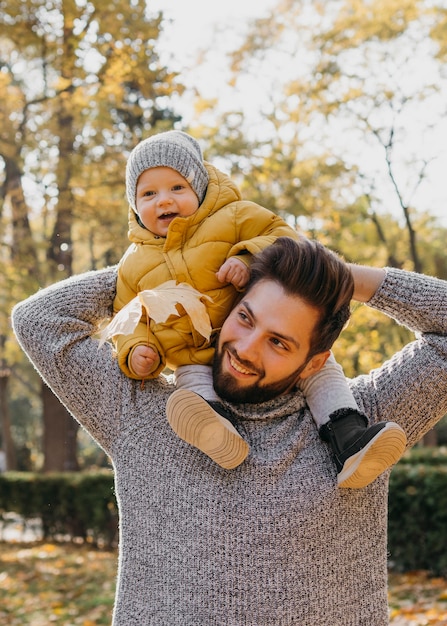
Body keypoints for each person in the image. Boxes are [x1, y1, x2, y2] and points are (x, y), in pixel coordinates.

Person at [12, 236, 447, 624]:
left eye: (279, 342)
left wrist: (345, 278)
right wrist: (178, 264)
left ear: (315, 362)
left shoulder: (359, 426)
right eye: (245, 318)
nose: (244, 348)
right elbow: (40, 320)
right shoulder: (143, 413)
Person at [105, 129, 405, 483]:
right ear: (133, 205)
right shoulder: (133, 263)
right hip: (193, 352)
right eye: (148, 193)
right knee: (194, 391)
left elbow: (286, 239)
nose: (163, 201)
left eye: (177, 188)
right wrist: (138, 348)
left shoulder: (233, 216)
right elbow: (127, 315)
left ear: (200, 188)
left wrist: (247, 258)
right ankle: (217, 432)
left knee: (321, 371)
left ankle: (350, 437)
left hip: (268, 324)